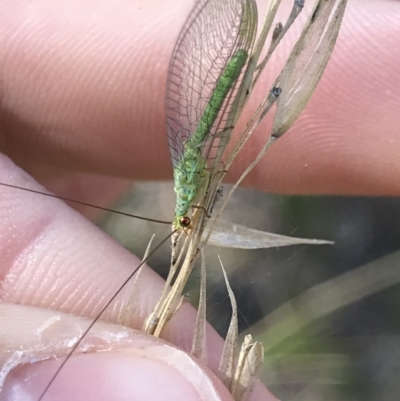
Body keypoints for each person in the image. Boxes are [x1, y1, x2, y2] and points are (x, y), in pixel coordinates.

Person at [0, 0, 399, 400]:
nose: (182, 226)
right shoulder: (186, 206)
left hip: (213, 102)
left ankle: (246, 54)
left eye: (184, 224)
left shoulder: (190, 195)